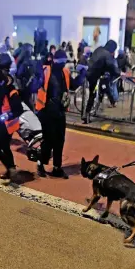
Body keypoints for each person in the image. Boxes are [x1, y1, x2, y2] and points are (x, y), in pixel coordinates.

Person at [36, 49, 86, 178]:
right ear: (54, 60)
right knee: (48, 141)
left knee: (60, 141)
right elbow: (36, 84)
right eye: (60, 61)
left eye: (64, 61)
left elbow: (74, 85)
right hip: (46, 112)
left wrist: (82, 73)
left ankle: (57, 167)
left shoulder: (65, 72)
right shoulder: (45, 70)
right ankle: (40, 163)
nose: (62, 63)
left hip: (60, 112)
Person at [0, 55, 24, 183]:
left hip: (6, 125)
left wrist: (5, 116)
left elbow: (18, 110)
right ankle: (10, 168)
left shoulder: (12, 92)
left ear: (2, 82)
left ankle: (11, 168)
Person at [83, 40, 121, 123]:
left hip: (90, 73)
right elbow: (111, 66)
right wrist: (119, 73)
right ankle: (86, 114)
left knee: (94, 92)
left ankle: (90, 110)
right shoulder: (107, 54)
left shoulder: (99, 49)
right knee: (93, 95)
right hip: (95, 75)